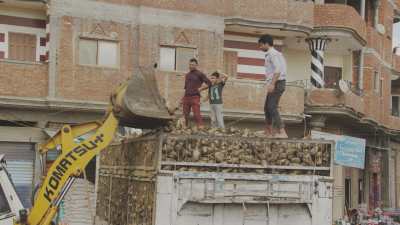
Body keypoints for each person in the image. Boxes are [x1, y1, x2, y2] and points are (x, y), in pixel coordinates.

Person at [258, 34, 288, 138]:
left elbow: (278, 70)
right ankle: (268, 131)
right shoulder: (272, 54)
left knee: (271, 107)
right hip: (275, 82)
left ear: (266, 44)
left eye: (261, 45)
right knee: (267, 107)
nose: (260, 47)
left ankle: (282, 131)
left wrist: (272, 83)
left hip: (278, 83)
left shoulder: (273, 54)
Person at [181, 58, 211, 128]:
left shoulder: (200, 74)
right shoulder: (187, 75)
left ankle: (200, 127)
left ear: (196, 65)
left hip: (195, 97)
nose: (191, 66)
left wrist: (201, 88)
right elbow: (185, 88)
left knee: (196, 114)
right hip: (186, 97)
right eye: (190, 64)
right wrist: (182, 99)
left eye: (193, 65)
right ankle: (184, 128)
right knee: (185, 114)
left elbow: (209, 83)